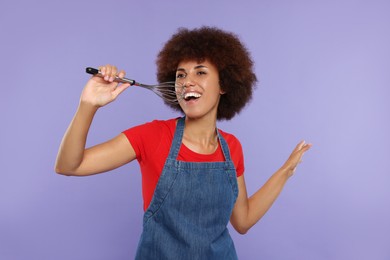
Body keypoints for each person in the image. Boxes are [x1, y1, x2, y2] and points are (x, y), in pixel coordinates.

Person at [55, 26, 311, 259]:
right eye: (180, 75)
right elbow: (69, 166)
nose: (187, 81)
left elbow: (242, 221)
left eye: (200, 72)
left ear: (224, 84)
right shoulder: (152, 136)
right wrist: (88, 105)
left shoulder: (231, 147)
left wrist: (286, 171)